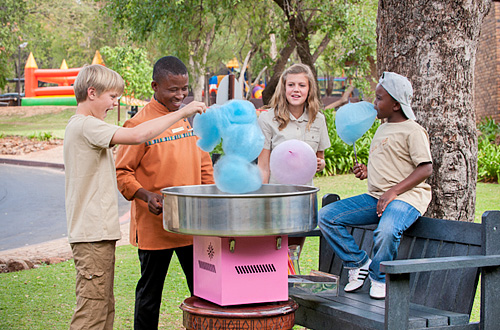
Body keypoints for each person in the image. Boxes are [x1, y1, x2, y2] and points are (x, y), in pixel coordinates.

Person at [64, 64, 206, 330]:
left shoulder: (91, 126)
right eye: (112, 97)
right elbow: (136, 139)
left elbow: (203, 162)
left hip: (112, 232)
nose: (115, 103)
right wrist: (185, 110)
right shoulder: (88, 126)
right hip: (103, 233)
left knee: (103, 306)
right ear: (92, 93)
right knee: (95, 309)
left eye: (183, 90)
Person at [115, 56, 214, 330]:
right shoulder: (138, 126)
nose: (180, 95)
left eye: (184, 89)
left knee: (204, 292)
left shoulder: (187, 120)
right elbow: (122, 173)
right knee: (149, 295)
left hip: (191, 227)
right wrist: (146, 196)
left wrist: (209, 200)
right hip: (154, 229)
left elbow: (203, 163)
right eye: (173, 89)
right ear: (155, 86)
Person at [318, 72, 433, 300]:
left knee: (387, 230)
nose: (374, 103)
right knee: (327, 216)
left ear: (396, 105)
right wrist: (368, 172)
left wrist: (393, 192)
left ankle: (379, 278)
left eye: (379, 98)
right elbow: (392, 164)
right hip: (377, 197)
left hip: (406, 199)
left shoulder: (413, 130)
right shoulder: (382, 128)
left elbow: (425, 168)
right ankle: (358, 262)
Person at [257, 63, 331, 271]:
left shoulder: (318, 120)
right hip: (276, 197)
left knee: (293, 253)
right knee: (273, 252)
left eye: (301, 85)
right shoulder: (267, 119)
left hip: (303, 198)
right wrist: (261, 200)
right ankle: (274, 291)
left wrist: (320, 164)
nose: (296, 90)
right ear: (283, 87)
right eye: (291, 85)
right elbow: (263, 166)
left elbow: (320, 159)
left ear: (309, 89)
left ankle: (290, 290)